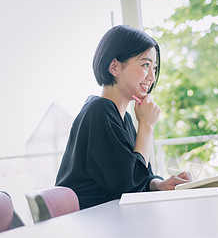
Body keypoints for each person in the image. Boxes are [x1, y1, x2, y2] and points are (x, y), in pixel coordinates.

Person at [56, 25, 190, 209]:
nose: (152, 76)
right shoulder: (98, 111)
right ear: (114, 67)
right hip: (91, 223)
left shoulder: (122, 117)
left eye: (154, 67)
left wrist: (159, 184)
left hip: (109, 218)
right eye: (145, 65)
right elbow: (130, 187)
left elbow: (138, 175)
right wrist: (146, 126)